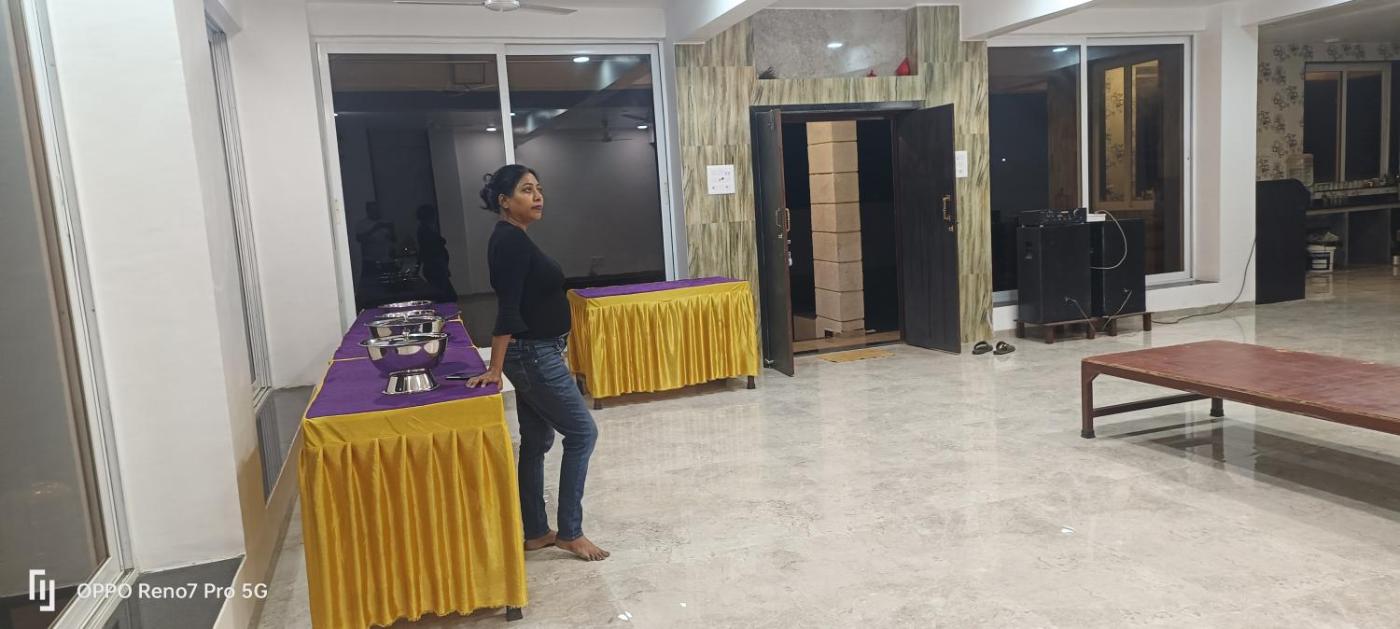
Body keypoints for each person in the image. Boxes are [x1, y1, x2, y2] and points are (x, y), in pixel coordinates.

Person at [466, 165, 609, 562]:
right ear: (505, 200)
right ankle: (570, 532)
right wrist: (495, 369)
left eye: (539, 189)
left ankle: (535, 532)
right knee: (582, 433)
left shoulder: (513, 237)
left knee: (537, 440)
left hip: (537, 351)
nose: (538, 196)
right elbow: (508, 308)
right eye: (527, 190)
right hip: (532, 354)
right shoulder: (510, 242)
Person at [415, 204, 458, 303]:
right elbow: (433, 247)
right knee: (445, 296)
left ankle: (445, 311)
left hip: (436, 267)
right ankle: (445, 312)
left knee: (444, 295)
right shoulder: (425, 231)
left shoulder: (425, 230)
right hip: (436, 267)